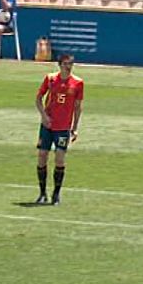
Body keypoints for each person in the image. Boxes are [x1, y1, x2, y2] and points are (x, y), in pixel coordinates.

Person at [34, 54, 84, 205]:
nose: (68, 67)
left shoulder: (78, 83)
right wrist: (44, 116)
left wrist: (74, 128)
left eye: (71, 64)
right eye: (66, 64)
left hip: (63, 127)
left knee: (60, 159)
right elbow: (38, 99)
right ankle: (42, 193)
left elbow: (77, 107)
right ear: (60, 65)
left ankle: (56, 194)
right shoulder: (50, 79)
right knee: (42, 155)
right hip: (48, 125)